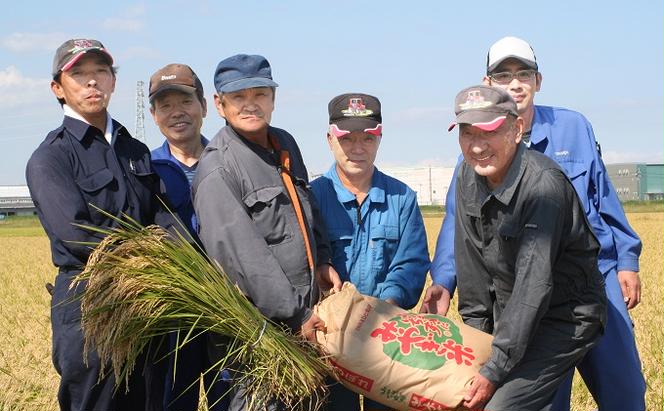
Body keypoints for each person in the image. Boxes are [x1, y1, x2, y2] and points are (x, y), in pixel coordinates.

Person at [421, 36, 646, 411]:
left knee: (623, 390)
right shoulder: (473, 162)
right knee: (541, 401)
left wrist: (627, 259)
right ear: (487, 82)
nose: (514, 82)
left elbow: (602, 194)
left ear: (537, 81)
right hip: (520, 288)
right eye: (503, 74)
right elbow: (461, 229)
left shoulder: (573, 128)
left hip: (592, 277)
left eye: (523, 73)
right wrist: (444, 281)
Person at [26, 38, 180, 411]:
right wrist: (148, 260)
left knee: (148, 399)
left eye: (100, 72)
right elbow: (78, 234)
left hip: (145, 303)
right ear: (58, 89)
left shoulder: (134, 150)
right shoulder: (51, 157)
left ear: (113, 81)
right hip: (88, 305)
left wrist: (188, 261)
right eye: (78, 74)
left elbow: (163, 216)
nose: (91, 82)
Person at [191, 54, 341, 410]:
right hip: (262, 332)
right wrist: (295, 314)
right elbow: (242, 256)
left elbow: (308, 211)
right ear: (219, 104)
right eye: (238, 97)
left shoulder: (283, 143)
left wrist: (322, 260)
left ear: (273, 99)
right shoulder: (218, 168)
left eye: (259, 94)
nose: (250, 104)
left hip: (305, 322)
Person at [448, 84, 606, 410]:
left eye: (488, 132)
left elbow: (534, 285)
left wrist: (494, 369)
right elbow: (472, 272)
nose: (477, 147)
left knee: (499, 406)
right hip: (511, 313)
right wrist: (474, 349)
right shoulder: (467, 175)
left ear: (516, 129)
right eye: (467, 133)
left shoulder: (543, 186)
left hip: (563, 318)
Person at [310, 93, 430, 411]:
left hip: (387, 342)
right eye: (347, 138)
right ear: (329, 138)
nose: (358, 148)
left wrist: (380, 309)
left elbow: (412, 264)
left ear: (379, 138)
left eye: (367, 138)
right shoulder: (311, 199)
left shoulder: (402, 198)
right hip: (328, 347)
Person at [148, 63, 229, 411]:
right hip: (171, 323)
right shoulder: (144, 173)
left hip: (229, 315)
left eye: (185, 101)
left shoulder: (230, 165)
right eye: (165, 105)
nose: (176, 113)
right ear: (153, 115)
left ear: (204, 107)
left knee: (230, 402)